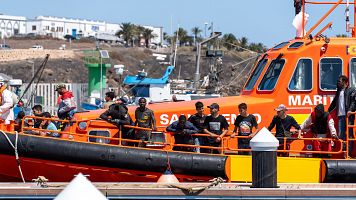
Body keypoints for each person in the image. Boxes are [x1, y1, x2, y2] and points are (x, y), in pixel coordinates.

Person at [328, 75, 356, 157]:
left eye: (339, 81)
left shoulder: (352, 90)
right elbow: (334, 102)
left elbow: (354, 102)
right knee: (341, 134)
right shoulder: (338, 91)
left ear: (345, 83)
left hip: (348, 116)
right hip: (340, 116)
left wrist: (350, 110)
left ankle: (349, 153)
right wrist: (328, 111)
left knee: (349, 134)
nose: (338, 83)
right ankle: (344, 151)